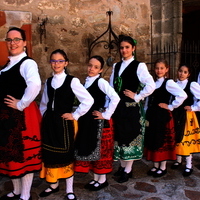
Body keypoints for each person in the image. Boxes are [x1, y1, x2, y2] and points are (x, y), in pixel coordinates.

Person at [39, 49, 94, 200]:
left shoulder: (72, 81)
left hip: (64, 124)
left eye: (60, 61)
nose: (56, 64)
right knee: (50, 154)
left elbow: (88, 100)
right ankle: (53, 184)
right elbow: (44, 103)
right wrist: (44, 116)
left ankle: (70, 190)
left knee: (66, 155)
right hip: (49, 123)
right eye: (53, 61)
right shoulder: (49, 81)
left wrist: (75, 115)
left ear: (66, 63)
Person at [0, 27, 42, 200]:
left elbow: (35, 85)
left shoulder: (27, 63)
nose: (13, 43)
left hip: (22, 117)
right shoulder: (8, 64)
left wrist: (21, 104)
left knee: (24, 156)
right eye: (9, 40)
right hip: (7, 118)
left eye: (17, 39)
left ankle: (25, 195)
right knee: (11, 155)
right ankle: (16, 191)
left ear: (24, 43)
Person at [110, 35, 155, 183]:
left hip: (131, 108)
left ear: (133, 48)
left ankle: (128, 170)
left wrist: (138, 96)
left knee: (129, 137)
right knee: (120, 137)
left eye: (127, 47)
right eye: (122, 48)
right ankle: (122, 167)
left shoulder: (139, 66)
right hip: (118, 107)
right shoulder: (116, 66)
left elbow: (151, 85)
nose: (124, 50)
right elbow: (111, 88)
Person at [74, 55, 120, 191]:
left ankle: (102, 179)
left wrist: (106, 115)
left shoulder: (101, 82)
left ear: (100, 70)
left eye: (95, 67)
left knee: (100, 151)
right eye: (90, 65)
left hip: (99, 122)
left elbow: (115, 98)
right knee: (93, 148)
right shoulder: (86, 82)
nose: (91, 69)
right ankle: (96, 178)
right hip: (88, 121)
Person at [145, 58, 187, 177]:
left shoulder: (168, 83)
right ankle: (155, 165)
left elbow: (182, 95)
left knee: (161, 140)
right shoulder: (152, 83)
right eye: (157, 68)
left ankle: (162, 167)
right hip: (153, 115)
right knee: (153, 139)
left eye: (162, 68)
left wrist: (170, 106)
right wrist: (145, 111)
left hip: (163, 116)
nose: (159, 70)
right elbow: (148, 100)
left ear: (167, 69)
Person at [171, 64, 200, 176]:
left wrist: (194, 107)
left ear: (188, 74)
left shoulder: (191, 85)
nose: (181, 74)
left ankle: (188, 164)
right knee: (176, 137)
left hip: (187, 116)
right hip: (175, 114)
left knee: (184, 140)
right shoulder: (173, 84)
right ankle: (178, 160)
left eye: (184, 72)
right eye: (180, 71)